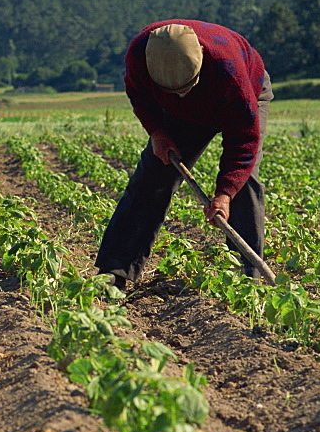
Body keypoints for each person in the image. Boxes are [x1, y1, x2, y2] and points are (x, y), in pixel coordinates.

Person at [95, 19, 273, 289]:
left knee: (243, 184)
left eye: (186, 87)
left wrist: (224, 195)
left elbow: (243, 141)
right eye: (173, 91)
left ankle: (248, 279)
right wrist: (157, 132)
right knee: (153, 176)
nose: (181, 95)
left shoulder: (230, 72)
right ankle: (115, 269)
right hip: (184, 117)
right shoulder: (139, 56)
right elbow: (139, 95)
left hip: (244, 92)